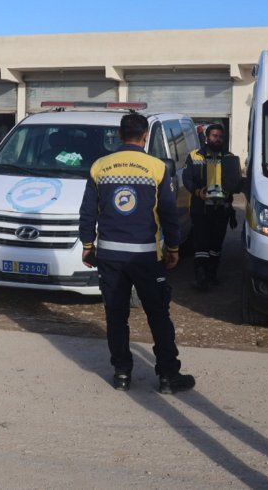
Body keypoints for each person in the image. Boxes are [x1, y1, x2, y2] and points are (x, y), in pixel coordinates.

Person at [78, 112, 195, 394]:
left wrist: (87, 246)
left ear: (120, 135)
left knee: (116, 316)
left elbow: (87, 212)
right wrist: (174, 248)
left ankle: (121, 374)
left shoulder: (99, 167)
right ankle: (168, 376)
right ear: (145, 137)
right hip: (146, 257)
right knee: (158, 315)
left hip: (110, 257)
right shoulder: (156, 167)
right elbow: (168, 213)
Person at [181, 123, 236, 290]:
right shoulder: (194, 156)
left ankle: (212, 273)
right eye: (214, 136)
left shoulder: (229, 157)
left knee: (216, 244)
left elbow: (235, 180)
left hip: (222, 208)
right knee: (201, 243)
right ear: (206, 137)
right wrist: (197, 192)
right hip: (201, 207)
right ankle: (200, 275)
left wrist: (231, 190)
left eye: (220, 136)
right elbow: (187, 179)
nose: (217, 139)